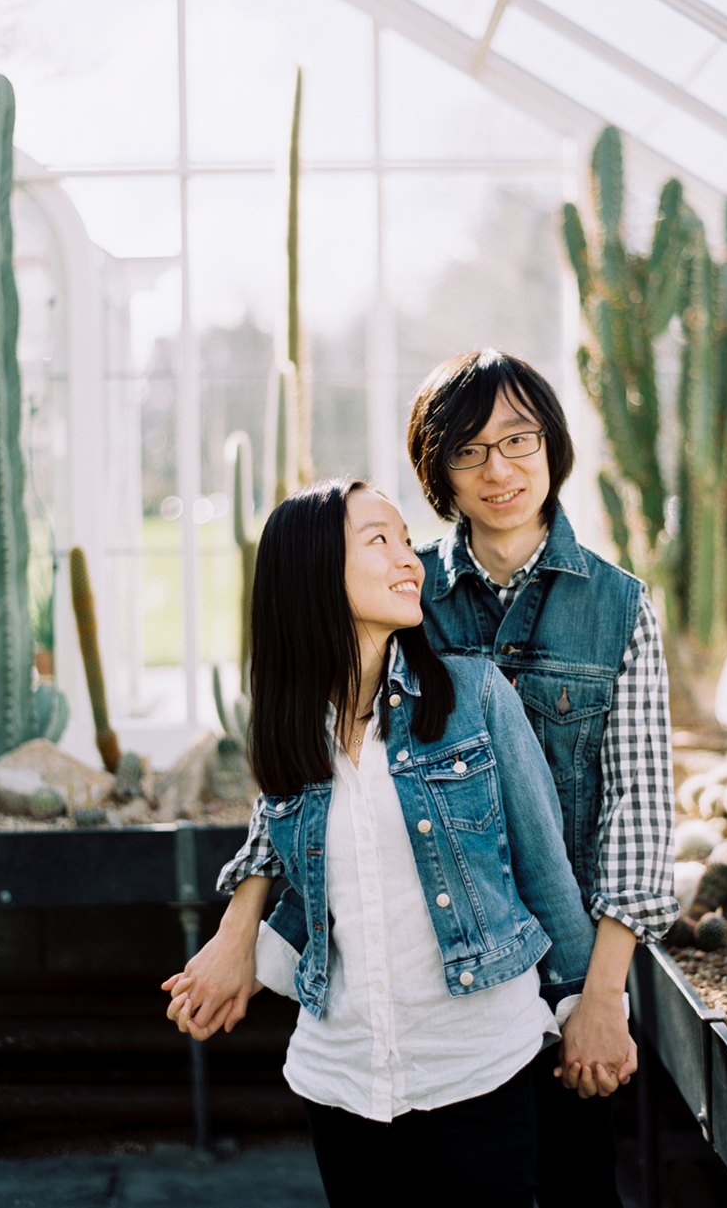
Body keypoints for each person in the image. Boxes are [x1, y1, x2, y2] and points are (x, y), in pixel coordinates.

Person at [163, 477, 604, 1208]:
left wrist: (585, 1010)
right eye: (381, 541)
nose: (411, 560)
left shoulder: (474, 697)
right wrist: (236, 939)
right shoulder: (289, 732)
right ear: (312, 573)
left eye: (407, 540)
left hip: (478, 1067)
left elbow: (546, 873)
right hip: (341, 1080)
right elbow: (290, 854)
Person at [406, 348, 678, 1206]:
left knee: (574, 1187)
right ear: (440, 471)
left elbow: (638, 813)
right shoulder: (403, 594)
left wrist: (601, 996)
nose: (500, 469)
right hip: (436, 968)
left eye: (519, 440)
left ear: (553, 447)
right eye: (470, 449)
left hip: (569, 975)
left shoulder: (620, 604)